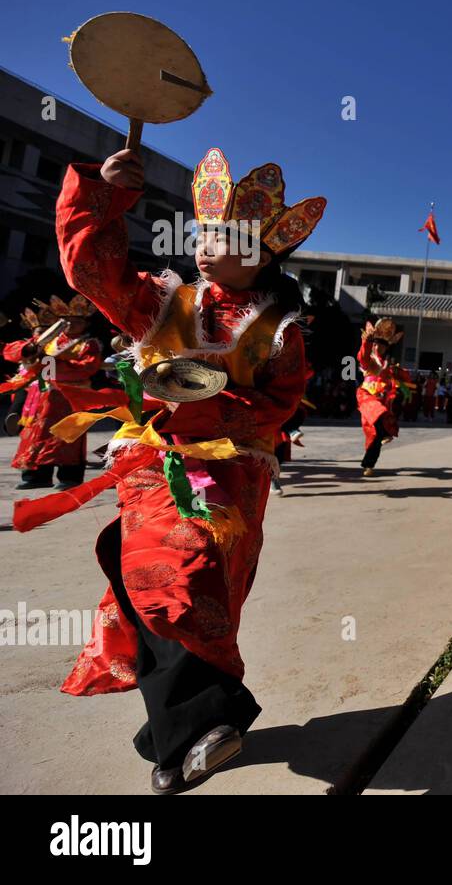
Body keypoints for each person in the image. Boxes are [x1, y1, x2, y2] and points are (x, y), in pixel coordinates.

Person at [17, 144, 322, 793]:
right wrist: (104, 195)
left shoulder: (277, 327)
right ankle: (203, 729)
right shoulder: (162, 299)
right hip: (156, 465)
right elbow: (92, 272)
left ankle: (171, 744)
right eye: (206, 233)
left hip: (231, 475)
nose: (209, 245)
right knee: (161, 580)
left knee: (198, 590)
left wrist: (218, 406)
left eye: (229, 237)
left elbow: (279, 403)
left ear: (264, 254)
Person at [4, 297, 103, 489]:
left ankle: (69, 477)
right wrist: (30, 350)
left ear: (86, 323)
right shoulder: (49, 341)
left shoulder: (88, 344)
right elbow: (16, 350)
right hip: (42, 397)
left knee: (68, 437)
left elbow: (88, 367)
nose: (72, 325)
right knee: (36, 435)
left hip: (70, 398)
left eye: (78, 321)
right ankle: (36, 477)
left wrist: (58, 363)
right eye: (67, 321)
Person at [355, 319, 413, 476]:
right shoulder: (369, 360)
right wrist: (367, 340)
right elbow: (362, 356)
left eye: (381, 344)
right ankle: (385, 430)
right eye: (375, 343)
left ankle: (369, 464)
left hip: (382, 400)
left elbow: (404, 379)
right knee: (376, 422)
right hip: (367, 396)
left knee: (374, 434)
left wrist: (400, 377)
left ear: (386, 347)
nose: (377, 346)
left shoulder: (388, 366)